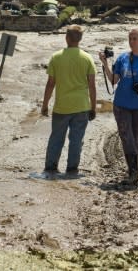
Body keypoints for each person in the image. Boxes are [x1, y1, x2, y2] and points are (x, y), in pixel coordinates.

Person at [99, 28, 138, 186]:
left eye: (135, 38)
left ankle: (134, 169)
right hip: (121, 105)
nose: (132, 41)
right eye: (130, 38)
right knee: (127, 138)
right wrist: (105, 64)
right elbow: (113, 80)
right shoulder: (123, 58)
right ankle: (133, 171)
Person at [41, 25, 97, 177]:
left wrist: (45, 105)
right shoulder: (87, 58)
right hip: (81, 106)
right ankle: (72, 170)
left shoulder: (56, 57)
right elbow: (92, 86)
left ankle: (51, 169)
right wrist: (93, 107)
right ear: (80, 39)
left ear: (66, 38)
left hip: (61, 107)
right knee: (76, 140)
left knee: (56, 138)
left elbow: (50, 84)